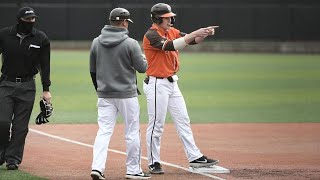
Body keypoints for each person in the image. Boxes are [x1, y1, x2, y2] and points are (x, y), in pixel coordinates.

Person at [142, 3, 219, 174]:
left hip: (171, 83)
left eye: (170, 17)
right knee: (157, 125)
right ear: (157, 18)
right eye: (167, 17)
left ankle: (195, 157)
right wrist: (195, 32)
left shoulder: (172, 31)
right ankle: (154, 162)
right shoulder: (151, 34)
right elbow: (171, 46)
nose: (171, 19)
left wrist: (203, 34)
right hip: (157, 84)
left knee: (183, 120)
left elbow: (192, 41)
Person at [89, 7, 150, 180]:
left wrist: (100, 90)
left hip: (104, 94)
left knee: (104, 131)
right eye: (127, 22)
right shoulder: (130, 43)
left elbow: (92, 71)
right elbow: (142, 68)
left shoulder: (96, 42)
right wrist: (145, 58)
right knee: (132, 132)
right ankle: (133, 170)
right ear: (124, 22)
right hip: (127, 95)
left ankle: (97, 168)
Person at [0, 6, 52, 170]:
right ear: (20, 20)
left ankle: (13, 159)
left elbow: (45, 65)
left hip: (28, 86)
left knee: (20, 127)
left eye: (33, 19)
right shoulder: (4, 35)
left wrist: (46, 89)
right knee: (3, 121)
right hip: (6, 84)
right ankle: (2, 152)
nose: (31, 21)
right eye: (28, 19)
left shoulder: (40, 38)